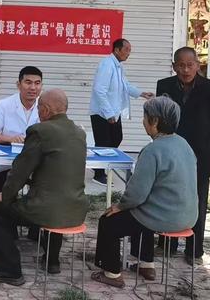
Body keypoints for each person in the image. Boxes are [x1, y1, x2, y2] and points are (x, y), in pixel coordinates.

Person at [92, 96, 198, 288]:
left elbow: (137, 193)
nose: (143, 121)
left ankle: (112, 273)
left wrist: (119, 206)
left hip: (166, 217)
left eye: (145, 116)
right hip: (189, 216)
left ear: (155, 121)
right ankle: (146, 265)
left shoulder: (152, 150)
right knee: (142, 212)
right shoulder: (185, 144)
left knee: (108, 221)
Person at [0, 89, 88, 286]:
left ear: (46, 110)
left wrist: (5, 195)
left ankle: (9, 271)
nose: (38, 112)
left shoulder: (40, 131)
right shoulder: (79, 133)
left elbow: (20, 170)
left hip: (47, 210)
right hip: (76, 209)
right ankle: (52, 261)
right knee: (57, 201)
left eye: (39, 108)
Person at [155, 46, 210, 265]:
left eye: (190, 65)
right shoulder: (165, 86)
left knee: (197, 199)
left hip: (202, 152)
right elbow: (158, 118)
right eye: (181, 65)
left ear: (198, 65)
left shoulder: (208, 88)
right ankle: (167, 244)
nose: (186, 70)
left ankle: (194, 251)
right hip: (171, 151)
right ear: (174, 66)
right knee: (168, 195)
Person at [89, 38, 154, 186]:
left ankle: (102, 166)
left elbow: (125, 85)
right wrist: (108, 113)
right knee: (103, 143)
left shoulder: (117, 66)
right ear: (117, 50)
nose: (129, 53)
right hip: (102, 113)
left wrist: (142, 93)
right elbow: (99, 90)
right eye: (127, 50)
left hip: (113, 112)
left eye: (129, 50)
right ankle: (99, 174)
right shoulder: (107, 65)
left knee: (116, 138)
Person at [0, 66, 42, 194]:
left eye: (37, 83)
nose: (33, 88)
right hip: (7, 164)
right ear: (19, 84)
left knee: (45, 189)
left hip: (37, 164)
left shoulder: (45, 105)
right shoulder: (5, 104)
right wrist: (10, 139)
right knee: (3, 193)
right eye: (28, 82)